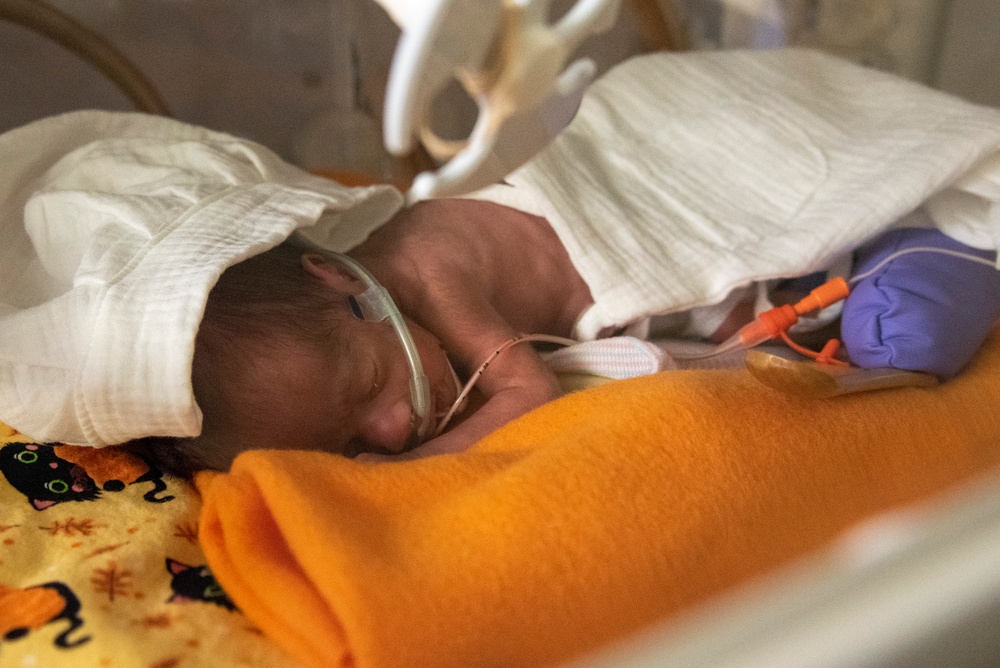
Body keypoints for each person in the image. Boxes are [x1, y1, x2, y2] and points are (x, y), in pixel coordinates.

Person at [5, 49, 1000, 473]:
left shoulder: (430, 273)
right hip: (718, 295)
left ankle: (920, 226)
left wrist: (406, 474)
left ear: (340, 280)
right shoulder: (345, 343)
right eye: (353, 447)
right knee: (872, 338)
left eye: (363, 390)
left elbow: (525, 388)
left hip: (654, 168)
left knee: (906, 314)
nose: (395, 426)